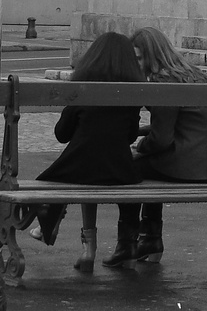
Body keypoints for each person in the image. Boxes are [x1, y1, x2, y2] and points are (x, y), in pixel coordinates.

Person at [115, 27, 207, 264]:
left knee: (128, 170)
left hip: (190, 164)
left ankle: (127, 244)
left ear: (151, 56)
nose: (137, 64)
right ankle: (150, 239)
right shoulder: (192, 74)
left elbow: (161, 140)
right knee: (151, 169)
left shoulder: (164, 82)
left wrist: (139, 147)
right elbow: (180, 125)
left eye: (139, 58)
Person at [27, 32, 143, 272]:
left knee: (60, 177)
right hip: (119, 172)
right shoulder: (132, 93)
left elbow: (62, 134)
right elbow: (131, 136)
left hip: (80, 168)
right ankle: (109, 247)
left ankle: (84, 246)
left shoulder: (83, 90)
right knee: (95, 172)